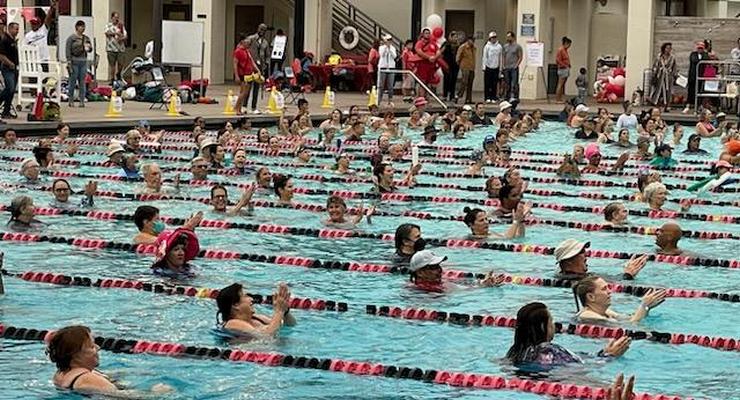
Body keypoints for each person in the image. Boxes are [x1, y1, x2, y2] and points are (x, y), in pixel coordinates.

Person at [47, 325, 172, 395]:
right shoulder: (87, 379)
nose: (98, 348)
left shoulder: (61, 374)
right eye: (91, 346)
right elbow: (125, 397)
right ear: (75, 354)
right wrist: (156, 393)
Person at [505, 302, 630, 368]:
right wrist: (610, 357)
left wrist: (602, 353)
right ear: (543, 327)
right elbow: (578, 368)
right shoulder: (549, 350)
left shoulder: (515, 351)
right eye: (551, 321)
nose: (554, 325)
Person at [216, 282, 296, 338]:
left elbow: (289, 325)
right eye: (245, 296)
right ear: (235, 305)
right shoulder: (232, 323)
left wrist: (285, 311)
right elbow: (266, 336)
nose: (251, 299)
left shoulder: (257, 318)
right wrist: (279, 311)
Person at [573, 275, 666, 323]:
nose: (610, 291)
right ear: (591, 297)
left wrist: (648, 307)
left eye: (608, 287)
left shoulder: (606, 312)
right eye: (604, 289)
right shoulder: (587, 316)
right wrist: (643, 305)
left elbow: (630, 319)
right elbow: (631, 325)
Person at [554, 239, 649, 281]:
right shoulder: (577, 279)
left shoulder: (567, 275)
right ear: (569, 261)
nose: (586, 254)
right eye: (582, 251)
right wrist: (627, 275)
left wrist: (627, 274)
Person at [65, 20, 92, 108]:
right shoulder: (71, 38)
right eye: (81, 26)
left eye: (84, 26)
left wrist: (88, 47)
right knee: (72, 81)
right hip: (74, 61)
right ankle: (71, 99)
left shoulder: (86, 38)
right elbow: (68, 50)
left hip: (83, 61)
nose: (82, 28)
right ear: (77, 27)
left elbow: (89, 50)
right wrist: (69, 62)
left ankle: (81, 100)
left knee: (82, 82)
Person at [463, 204, 530, 240]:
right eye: (481, 220)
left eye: (486, 219)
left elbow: (519, 237)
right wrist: (516, 221)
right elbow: (508, 238)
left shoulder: (490, 234)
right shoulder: (477, 238)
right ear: (471, 224)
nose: (486, 222)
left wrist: (521, 220)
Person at [246, 24, 270, 114]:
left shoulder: (265, 43)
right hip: (250, 66)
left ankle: (253, 107)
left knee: (256, 88)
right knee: (248, 87)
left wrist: (266, 63)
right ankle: (244, 106)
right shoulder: (251, 39)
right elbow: (246, 49)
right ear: (258, 29)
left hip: (260, 67)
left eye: (264, 30)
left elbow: (267, 55)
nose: (262, 31)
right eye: (261, 29)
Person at [24, 4, 55, 73]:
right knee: (33, 79)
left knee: (44, 79)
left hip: (44, 58)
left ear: (39, 24)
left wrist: (52, 9)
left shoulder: (43, 30)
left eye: (35, 24)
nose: (33, 25)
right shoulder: (28, 36)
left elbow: (47, 19)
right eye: (32, 23)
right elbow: (25, 48)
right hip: (33, 60)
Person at [233, 35, 259, 116]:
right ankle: (237, 108)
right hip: (242, 74)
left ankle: (239, 108)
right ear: (242, 42)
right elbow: (235, 64)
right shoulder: (238, 51)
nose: (248, 43)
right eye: (247, 42)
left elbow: (251, 61)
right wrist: (236, 75)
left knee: (246, 92)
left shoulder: (246, 51)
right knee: (243, 92)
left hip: (249, 74)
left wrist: (257, 70)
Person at [649, 43, 677, 111]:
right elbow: (655, 66)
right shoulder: (659, 57)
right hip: (660, 77)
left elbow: (674, 68)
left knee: (668, 92)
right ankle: (657, 105)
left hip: (668, 77)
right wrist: (654, 75)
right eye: (667, 48)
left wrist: (673, 75)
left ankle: (667, 106)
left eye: (670, 48)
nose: (668, 50)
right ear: (664, 48)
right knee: (658, 91)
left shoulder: (672, 58)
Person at [0, 22, 19, 118]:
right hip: (7, 68)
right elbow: (1, 55)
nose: (17, 31)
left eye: (18, 29)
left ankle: (6, 111)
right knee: (10, 88)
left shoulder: (13, 40)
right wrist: (9, 63)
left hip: (15, 68)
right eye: (16, 29)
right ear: (10, 29)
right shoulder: (5, 40)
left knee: (11, 92)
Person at [683, 41, 707, 114]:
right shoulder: (693, 54)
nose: (700, 50)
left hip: (701, 76)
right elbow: (694, 60)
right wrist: (700, 61)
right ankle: (688, 106)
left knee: (700, 91)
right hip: (693, 76)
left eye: (701, 48)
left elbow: (707, 60)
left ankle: (699, 106)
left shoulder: (705, 54)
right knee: (691, 91)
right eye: (699, 48)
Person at [104, 11, 127, 82]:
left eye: (117, 17)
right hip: (111, 48)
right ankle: (112, 79)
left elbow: (125, 35)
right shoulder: (108, 25)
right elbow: (107, 33)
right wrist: (115, 33)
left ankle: (118, 74)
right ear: (112, 18)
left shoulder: (121, 26)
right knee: (112, 65)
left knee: (121, 63)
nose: (116, 19)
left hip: (120, 48)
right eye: (115, 17)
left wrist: (121, 37)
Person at [482, 31, 503, 103]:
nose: (493, 39)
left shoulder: (499, 46)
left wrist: (500, 68)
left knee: (494, 83)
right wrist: (484, 67)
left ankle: (493, 97)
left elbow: (500, 58)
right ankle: (487, 97)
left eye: (495, 38)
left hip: (496, 67)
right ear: (490, 38)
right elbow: (485, 57)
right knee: (487, 83)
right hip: (488, 67)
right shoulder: (487, 46)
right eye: (492, 38)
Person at [502, 31, 523, 101]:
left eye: (509, 37)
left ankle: (515, 96)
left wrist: (516, 65)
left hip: (514, 67)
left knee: (514, 83)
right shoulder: (505, 46)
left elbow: (520, 56)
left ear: (513, 37)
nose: (508, 38)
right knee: (507, 83)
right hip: (507, 67)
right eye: (507, 37)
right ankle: (507, 96)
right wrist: (503, 65)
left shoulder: (517, 46)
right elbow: (504, 56)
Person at [377, 34, 397, 105]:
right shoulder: (381, 47)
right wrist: (386, 48)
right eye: (388, 40)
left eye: (390, 40)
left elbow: (394, 56)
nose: (389, 42)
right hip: (383, 67)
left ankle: (390, 100)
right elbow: (381, 55)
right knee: (381, 85)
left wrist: (390, 49)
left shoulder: (393, 48)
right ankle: (379, 100)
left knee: (390, 85)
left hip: (391, 67)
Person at [456, 36, 476, 104]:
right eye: (471, 40)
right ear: (468, 40)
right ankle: (458, 96)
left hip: (472, 67)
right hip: (465, 67)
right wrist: (461, 65)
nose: (472, 42)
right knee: (464, 82)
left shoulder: (473, 48)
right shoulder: (463, 47)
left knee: (470, 83)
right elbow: (458, 57)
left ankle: (468, 99)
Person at [441, 31, 459, 102]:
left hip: (455, 65)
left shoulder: (458, 45)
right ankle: (445, 95)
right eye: (454, 37)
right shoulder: (446, 44)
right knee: (447, 79)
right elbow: (441, 52)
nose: (455, 38)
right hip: (447, 65)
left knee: (453, 80)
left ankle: (452, 95)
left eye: (456, 37)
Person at [555, 37, 572, 103]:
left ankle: (560, 98)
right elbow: (558, 60)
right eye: (569, 45)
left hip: (566, 68)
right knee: (560, 84)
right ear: (566, 43)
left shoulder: (565, 50)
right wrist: (564, 65)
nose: (569, 46)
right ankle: (557, 99)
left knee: (563, 84)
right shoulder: (561, 50)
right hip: (562, 69)